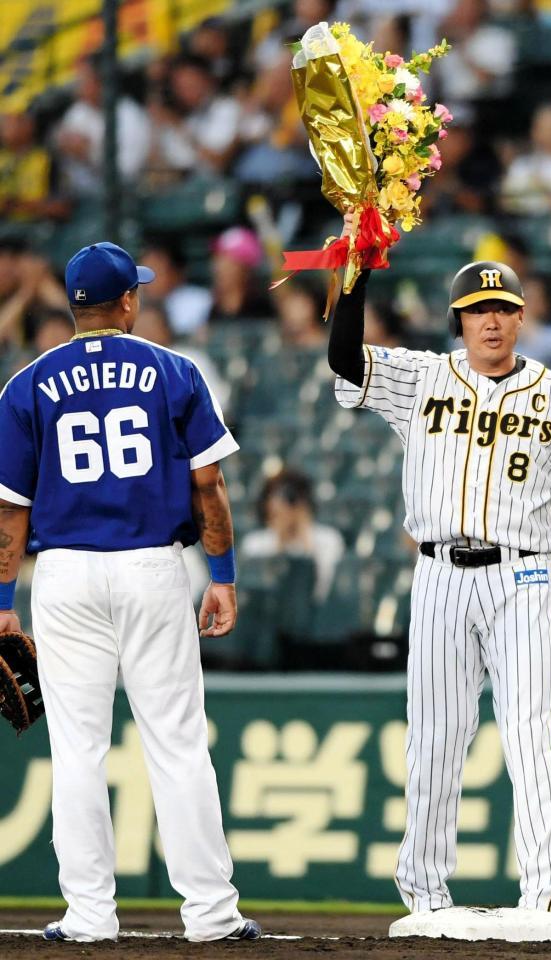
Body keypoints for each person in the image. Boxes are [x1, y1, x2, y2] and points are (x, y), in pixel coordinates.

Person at [327, 241, 551, 928]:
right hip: (441, 575)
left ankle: (544, 903)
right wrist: (352, 281)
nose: (492, 321)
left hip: (524, 575)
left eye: (503, 308)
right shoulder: (421, 378)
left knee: (533, 734)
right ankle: (424, 897)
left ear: (521, 317)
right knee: (435, 737)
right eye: (478, 311)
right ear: (458, 320)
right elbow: (343, 360)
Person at [0, 242, 258, 943]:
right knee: (176, 744)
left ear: (76, 305)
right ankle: (210, 913)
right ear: (126, 302)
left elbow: (11, 511)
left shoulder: (25, 384)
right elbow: (210, 486)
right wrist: (224, 577)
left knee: (78, 748)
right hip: (150, 567)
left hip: (63, 579)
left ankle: (88, 916)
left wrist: (0, 602)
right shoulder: (175, 370)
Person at [240, 469, 345, 602]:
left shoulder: (328, 539)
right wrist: (279, 545)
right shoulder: (255, 542)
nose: (275, 504)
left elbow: (323, 593)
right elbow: (255, 596)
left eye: (286, 498)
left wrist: (306, 545)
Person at [54, 56, 151, 195]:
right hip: (78, 198)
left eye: (84, 81)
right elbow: (61, 148)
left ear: (102, 82)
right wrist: (62, 143)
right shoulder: (79, 111)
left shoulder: (129, 115)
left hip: (121, 199)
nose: (79, 87)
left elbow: (127, 172)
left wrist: (88, 153)